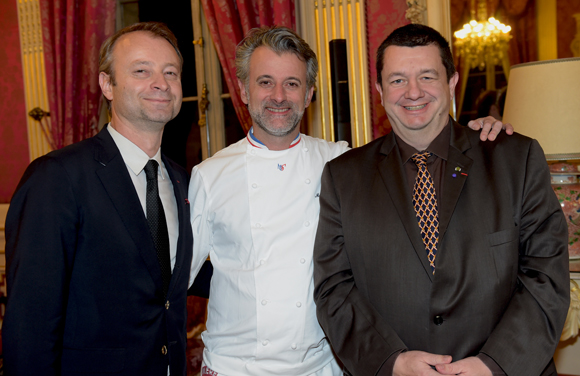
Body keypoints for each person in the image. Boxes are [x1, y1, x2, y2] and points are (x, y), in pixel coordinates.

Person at [188, 26, 512, 376]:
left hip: (321, 366)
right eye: (265, 82)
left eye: (293, 84)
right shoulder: (210, 175)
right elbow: (181, 279)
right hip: (236, 367)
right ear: (243, 90)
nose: (278, 96)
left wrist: (480, 132)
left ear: (310, 92)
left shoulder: (342, 163)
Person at [313, 24, 570, 376]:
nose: (413, 92)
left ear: (452, 82)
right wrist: (392, 362)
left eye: (427, 76)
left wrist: (494, 365)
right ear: (379, 90)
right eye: (398, 79)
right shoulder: (343, 177)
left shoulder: (514, 159)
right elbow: (334, 288)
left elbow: (546, 276)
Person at [3, 22, 211, 375]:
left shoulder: (184, 181)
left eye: (170, 72)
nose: (160, 83)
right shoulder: (57, 177)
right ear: (107, 84)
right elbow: (31, 323)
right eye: (141, 71)